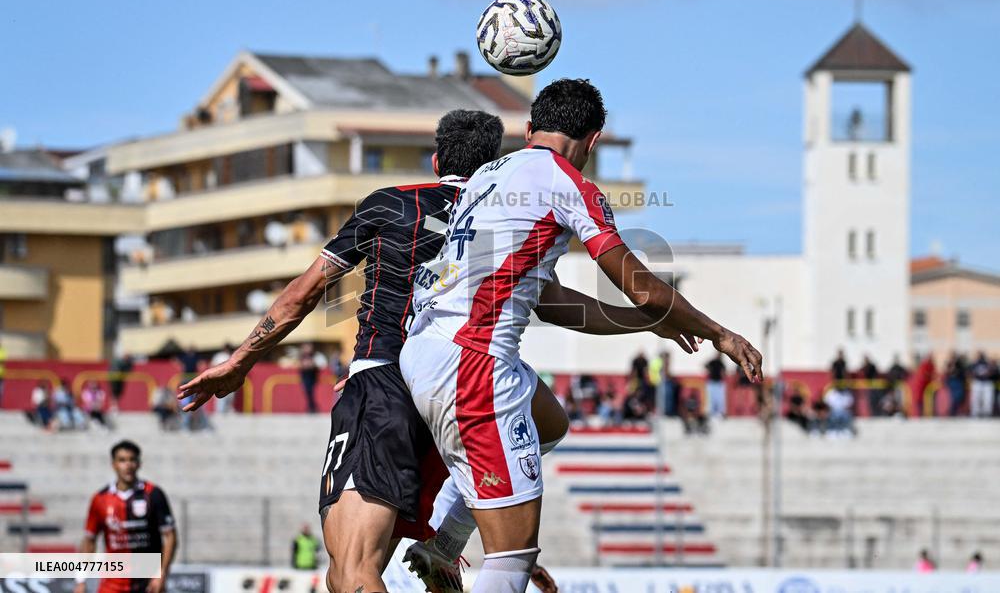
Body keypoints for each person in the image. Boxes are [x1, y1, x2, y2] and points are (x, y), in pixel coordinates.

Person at [176, 110, 665, 593]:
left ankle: (454, 545)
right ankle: (452, 540)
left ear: (435, 162)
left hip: (387, 382)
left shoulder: (389, 205)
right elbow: (559, 307)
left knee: (351, 572)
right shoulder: (499, 217)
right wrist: (649, 317)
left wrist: (240, 361)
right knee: (549, 425)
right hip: (461, 389)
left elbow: (304, 294)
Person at [399, 79, 762, 592]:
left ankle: (445, 543)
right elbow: (643, 288)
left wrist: (648, 322)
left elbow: (551, 301)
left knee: (548, 421)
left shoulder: (488, 177)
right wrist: (719, 334)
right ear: (593, 141)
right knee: (512, 558)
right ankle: (446, 542)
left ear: (530, 129)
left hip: (425, 347)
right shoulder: (569, 184)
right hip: (473, 360)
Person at [76, 440, 177, 593]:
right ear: (114, 464)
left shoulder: (153, 494)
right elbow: (89, 541)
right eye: (122, 460)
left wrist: (162, 573)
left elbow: (170, 536)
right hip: (112, 584)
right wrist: (81, 580)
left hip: (147, 583)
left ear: (139, 464)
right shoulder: (100, 499)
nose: (128, 465)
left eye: (132, 460)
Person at [297, 343, 326, 414]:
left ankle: (312, 407)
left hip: (312, 377)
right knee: (307, 392)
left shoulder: (315, 356)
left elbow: (319, 365)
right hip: (305, 377)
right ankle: (311, 407)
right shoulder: (302, 356)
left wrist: (311, 364)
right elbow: (300, 366)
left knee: (311, 392)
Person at [209, 343, 236, 414]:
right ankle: (219, 413)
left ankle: (228, 411)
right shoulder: (219, 356)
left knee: (230, 397)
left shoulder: (232, 356)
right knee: (220, 397)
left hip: (229, 379)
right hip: (220, 379)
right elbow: (212, 366)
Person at [970, 351, 994, 418]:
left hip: (987, 382)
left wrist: (987, 373)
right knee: (976, 398)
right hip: (977, 382)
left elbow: (991, 372)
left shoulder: (987, 363)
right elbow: (971, 372)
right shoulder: (975, 364)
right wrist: (975, 375)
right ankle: (975, 412)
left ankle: (987, 412)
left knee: (987, 399)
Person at [944, 352, 968, 416]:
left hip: (958, 381)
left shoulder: (959, 364)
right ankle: (952, 411)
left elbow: (962, 372)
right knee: (953, 397)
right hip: (952, 382)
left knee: (959, 397)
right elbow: (947, 373)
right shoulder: (949, 364)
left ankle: (957, 411)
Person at [705, 354, 728, 418]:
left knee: (720, 399)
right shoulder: (712, 362)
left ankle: (721, 412)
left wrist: (722, 373)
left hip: (719, 382)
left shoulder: (721, 363)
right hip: (712, 382)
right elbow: (706, 365)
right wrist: (710, 370)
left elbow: (724, 372)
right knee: (711, 398)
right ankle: (711, 412)